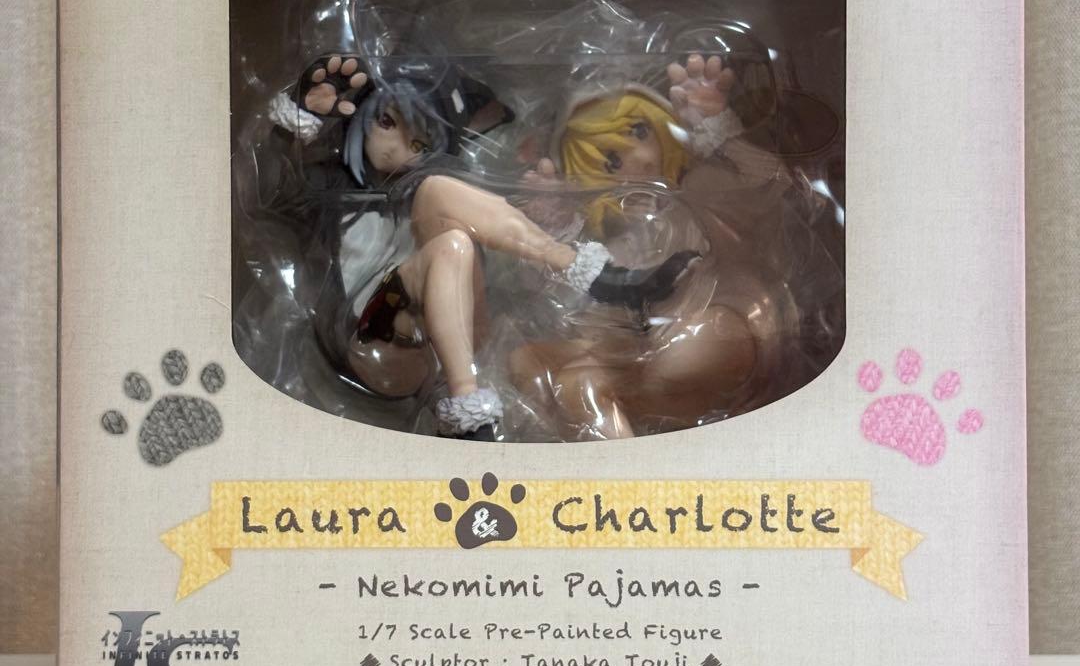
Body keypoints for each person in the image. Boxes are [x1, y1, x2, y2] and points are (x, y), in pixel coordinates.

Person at [266, 53, 695, 439]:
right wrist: (299, 120)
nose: (397, 149)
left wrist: (554, 218)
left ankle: (468, 410)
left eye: (420, 144)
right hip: (372, 344)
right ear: (362, 117)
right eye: (386, 123)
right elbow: (271, 190)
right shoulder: (333, 188)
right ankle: (601, 280)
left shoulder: (429, 205)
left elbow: (506, 282)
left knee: (448, 227)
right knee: (443, 219)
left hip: (445, 349)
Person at [509, 53, 800, 439]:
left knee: (664, 361)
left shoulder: (698, 189)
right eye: (611, 161)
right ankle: (607, 452)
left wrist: (718, 132)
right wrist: (555, 229)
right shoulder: (615, 241)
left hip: (726, 321)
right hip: (643, 343)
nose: (640, 158)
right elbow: (572, 300)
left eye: (640, 132)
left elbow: (774, 190)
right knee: (530, 362)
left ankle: (624, 423)